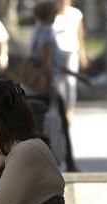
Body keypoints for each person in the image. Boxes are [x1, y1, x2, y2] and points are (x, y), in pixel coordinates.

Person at [29, 1, 79, 172]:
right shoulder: (48, 33)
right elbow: (47, 62)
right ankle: (68, 162)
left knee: (41, 121)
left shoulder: (37, 30)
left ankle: (47, 159)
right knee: (60, 123)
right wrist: (50, 85)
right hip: (46, 83)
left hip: (35, 83)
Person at [53, 0, 89, 125]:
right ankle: (60, 110)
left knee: (70, 82)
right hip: (56, 54)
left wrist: (82, 53)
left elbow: (80, 34)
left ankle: (69, 110)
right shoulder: (52, 13)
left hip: (72, 51)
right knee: (58, 83)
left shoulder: (76, 14)